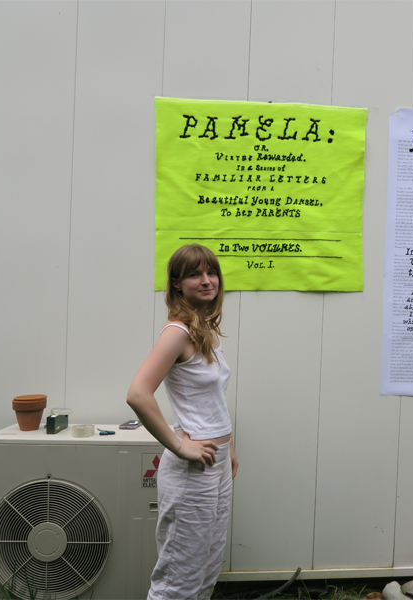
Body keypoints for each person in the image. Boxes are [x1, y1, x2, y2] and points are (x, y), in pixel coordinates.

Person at [127, 244, 238, 600]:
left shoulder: (204, 328)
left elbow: (211, 398)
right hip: (193, 469)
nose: (207, 281)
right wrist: (178, 445)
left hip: (216, 464)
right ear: (176, 284)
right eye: (195, 274)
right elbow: (138, 394)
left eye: (211, 272)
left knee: (206, 568)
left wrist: (229, 446)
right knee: (179, 578)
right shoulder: (178, 332)